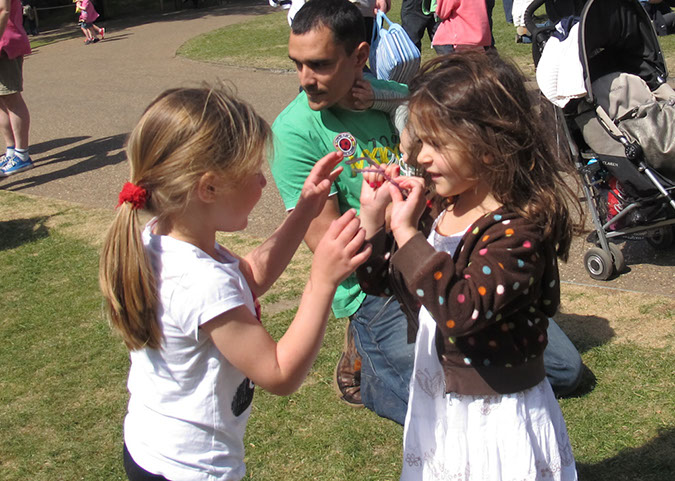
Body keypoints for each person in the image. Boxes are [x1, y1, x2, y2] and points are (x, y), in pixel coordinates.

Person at [99, 86, 371, 481]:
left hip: (150, 448)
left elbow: (249, 278)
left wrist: (305, 212)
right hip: (193, 470)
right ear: (208, 188)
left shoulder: (163, 238)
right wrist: (322, 279)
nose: (263, 182)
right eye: (253, 173)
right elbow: (279, 372)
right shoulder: (199, 281)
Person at [357, 51, 579, 480]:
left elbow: (461, 309)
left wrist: (408, 235)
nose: (420, 157)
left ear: (490, 148)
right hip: (441, 396)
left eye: (436, 144)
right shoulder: (443, 208)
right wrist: (375, 222)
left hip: (494, 411)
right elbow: (383, 283)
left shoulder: (517, 231)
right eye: (419, 142)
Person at [270, 0, 414, 426]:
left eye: (319, 64)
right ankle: (365, 372)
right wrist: (392, 213)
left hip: (427, 254)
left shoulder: (382, 96)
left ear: (360, 58)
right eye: (297, 64)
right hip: (373, 284)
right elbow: (328, 246)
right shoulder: (294, 131)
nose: (305, 81)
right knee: (440, 407)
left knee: (560, 370)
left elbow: (428, 107)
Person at [0, 0, 32, 177]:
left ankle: (22, 154)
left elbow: (4, 10)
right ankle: (11, 151)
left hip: (6, 45)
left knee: (12, 99)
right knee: (1, 100)